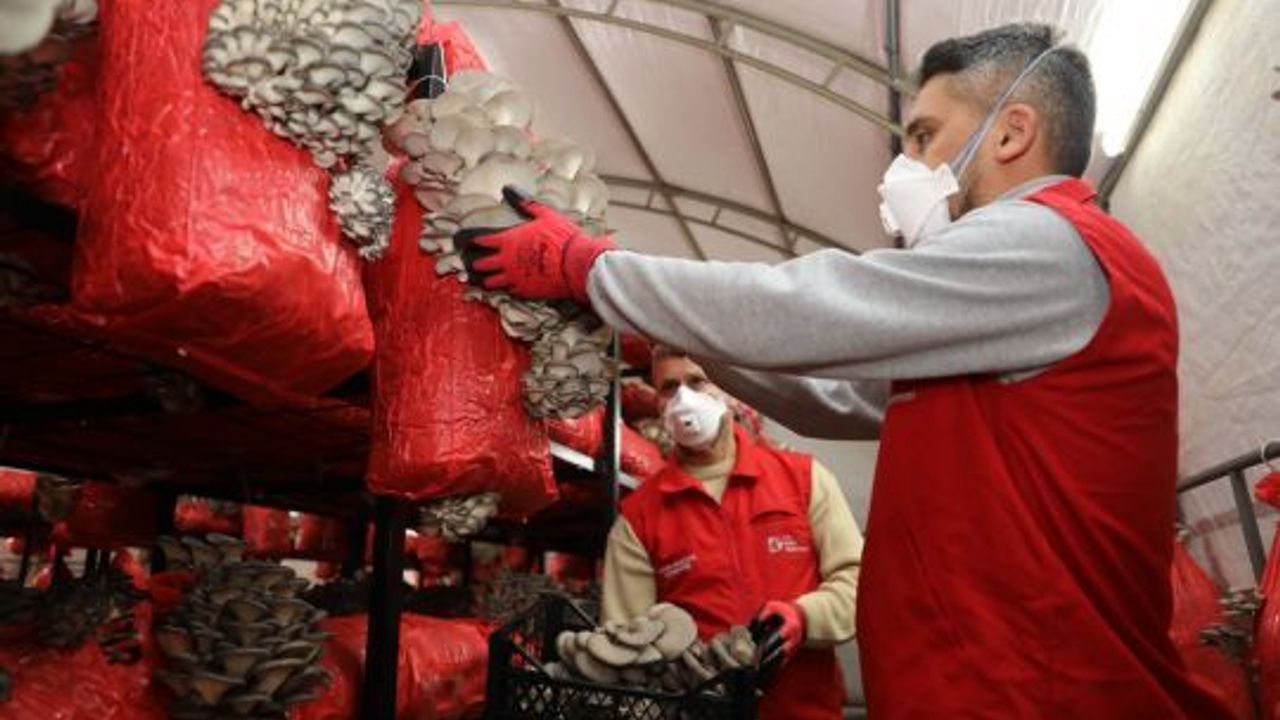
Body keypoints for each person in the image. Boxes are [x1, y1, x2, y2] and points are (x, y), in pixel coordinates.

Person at [457, 21, 1234, 719]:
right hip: (984, 687)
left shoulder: (1051, 245)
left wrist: (593, 268)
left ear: (1011, 133)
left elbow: (819, 304)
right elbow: (832, 395)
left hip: (1040, 692)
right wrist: (644, 312)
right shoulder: (998, 310)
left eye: (925, 136)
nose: (908, 163)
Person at [601, 347, 862, 720]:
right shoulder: (639, 519)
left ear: (731, 388)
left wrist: (805, 618)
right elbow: (628, 653)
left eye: (697, 381)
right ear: (657, 401)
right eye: (669, 387)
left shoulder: (804, 480)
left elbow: (858, 583)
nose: (683, 399)